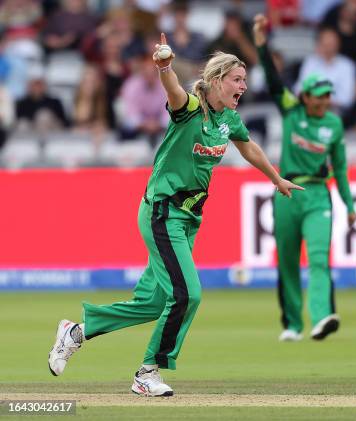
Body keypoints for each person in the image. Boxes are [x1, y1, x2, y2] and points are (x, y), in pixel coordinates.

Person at [48, 33, 303, 397]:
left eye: (245, 80)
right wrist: (165, 66)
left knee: (153, 303)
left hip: (188, 219)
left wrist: (276, 178)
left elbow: (249, 147)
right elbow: (173, 91)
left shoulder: (228, 119)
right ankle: (147, 372)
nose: (243, 87)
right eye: (237, 80)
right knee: (187, 295)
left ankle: (76, 332)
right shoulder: (190, 109)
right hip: (162, 211)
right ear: (216, 81)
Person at [254, 14, 356, 342]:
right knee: (286, 261)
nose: (326, 100)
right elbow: (273, 81)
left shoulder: (334, 124)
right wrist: (261, 45)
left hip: (316, 194)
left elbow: (339, 168)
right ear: (306, 96)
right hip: (286, 192)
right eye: (319, 95)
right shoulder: (291, 109)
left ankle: (323, 316)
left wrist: (350, 205)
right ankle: (292, 325)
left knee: (317, 258)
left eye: (328, 95)